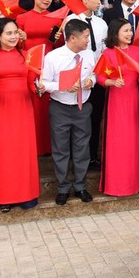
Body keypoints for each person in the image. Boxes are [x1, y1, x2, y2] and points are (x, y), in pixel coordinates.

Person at [0, 18, 41, 212]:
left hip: (23, 107)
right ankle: (3, 196)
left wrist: (38, 87)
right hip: (2, 108)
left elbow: (32, 83)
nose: (13, 36)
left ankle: (27, 195)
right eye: (8, 33)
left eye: (15, 32)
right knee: (4, 152)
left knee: (24, 151)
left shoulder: (26, 55)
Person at [41, 19, 96, 205]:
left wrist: (91, 82)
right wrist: (63, 86)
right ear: (73, 38)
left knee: (82, 148)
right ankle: (62, 187)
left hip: (83, 107)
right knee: (61, 149)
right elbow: (45, 83)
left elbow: (94, 75)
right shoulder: (53, 57)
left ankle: (80, 186)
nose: (88, 40)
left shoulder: (89, 55)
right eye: (86, 37)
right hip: (60, 108)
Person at [97, 18, 139, 197]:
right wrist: (112, 81)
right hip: (116, 100)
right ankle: (117, 184)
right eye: (125, 30)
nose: (130, 34)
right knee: (117, 141)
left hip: (133, 100)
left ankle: (134, 183)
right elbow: (99, 77)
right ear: (115, 33)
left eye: (130, 30)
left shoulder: (137, 51)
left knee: (133, 141)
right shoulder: (108, 53)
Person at [64, 0, 108, 169]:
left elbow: (104, 50)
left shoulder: (101, 23)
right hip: (75, 76)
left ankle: (91, 156)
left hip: (96, 75)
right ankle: (73, 157)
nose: (99, 2)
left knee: (95, 117)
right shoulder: (71, 21)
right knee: (74, 119)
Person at [16, 0, 61, 155]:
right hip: (28, 62)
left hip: (49, 63)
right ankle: (30, 145)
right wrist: (22, 39)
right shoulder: (22, 18)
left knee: (47, 105)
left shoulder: (56, 18)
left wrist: (58, 38)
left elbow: (59, 45)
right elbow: (17, 44)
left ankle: (47, 146)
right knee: (31, 105)